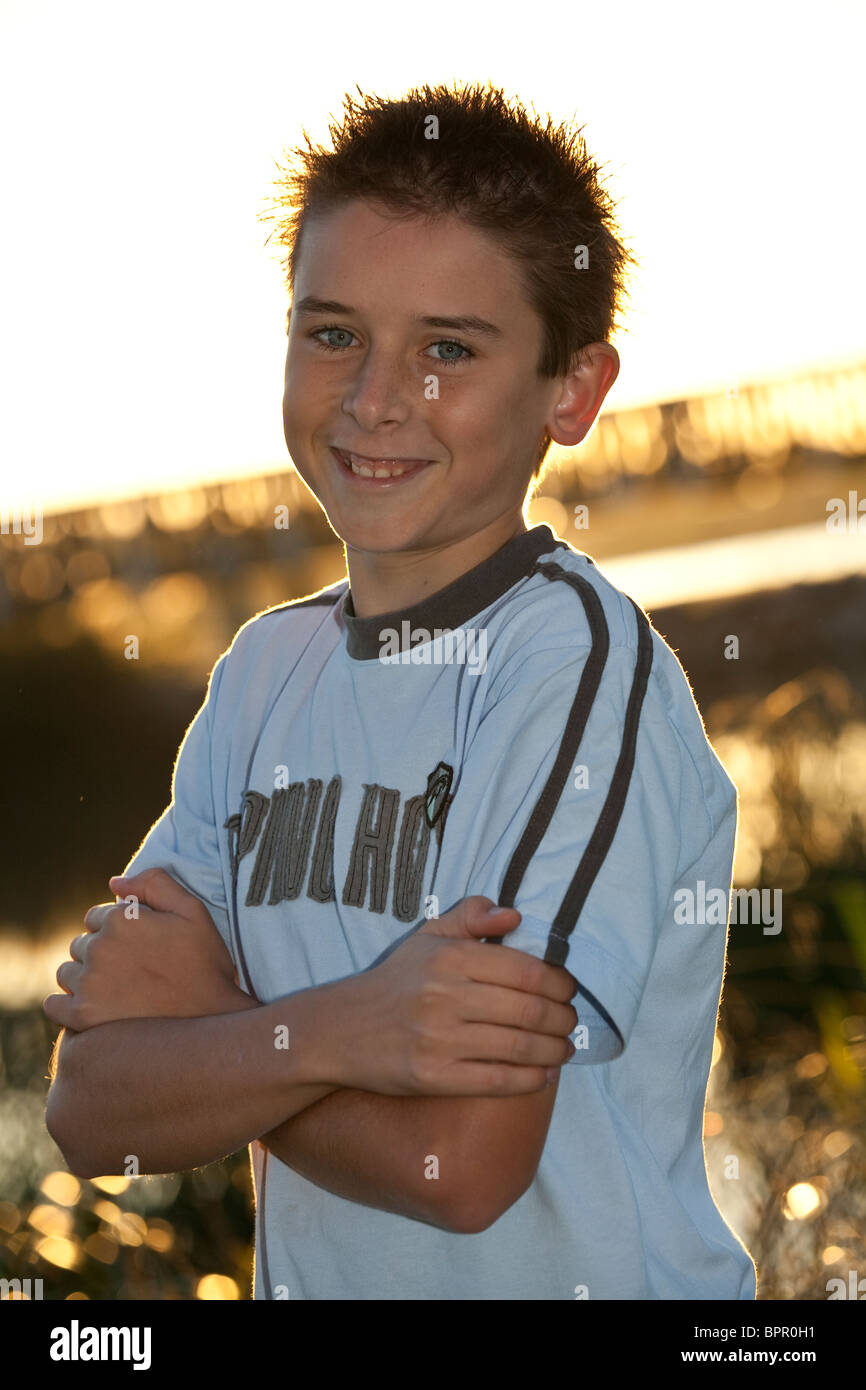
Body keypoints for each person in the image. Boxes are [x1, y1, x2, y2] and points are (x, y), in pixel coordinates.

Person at [44, 79, 757, 1300]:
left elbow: (458, 1161)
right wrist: (344, 1028)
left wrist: (223, 1024)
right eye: (333, 334)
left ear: (571, 390)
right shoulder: (266, 673)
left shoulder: (572, 673)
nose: (376, 399)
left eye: (446, 350)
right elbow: (93, 1113)